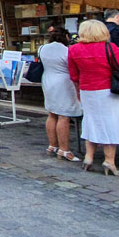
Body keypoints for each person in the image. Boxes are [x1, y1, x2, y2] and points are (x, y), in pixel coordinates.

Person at [69, 19, 119, 176]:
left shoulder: (73, 50)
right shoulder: (109, 47)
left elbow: (74, 75)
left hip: (87, 90)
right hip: (108, 90)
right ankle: (109, 160)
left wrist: (78, 91)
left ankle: (89, 157)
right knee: (111, 123)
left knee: (91, 121)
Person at [39, 27, 82, 162]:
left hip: (47, 80)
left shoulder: (42, 48)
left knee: (52, 113)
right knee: (63, 116)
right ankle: (64, 149)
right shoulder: (67, 51)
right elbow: (73, 68)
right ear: (66, 37)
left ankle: (52, 145)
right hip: (63, 82)